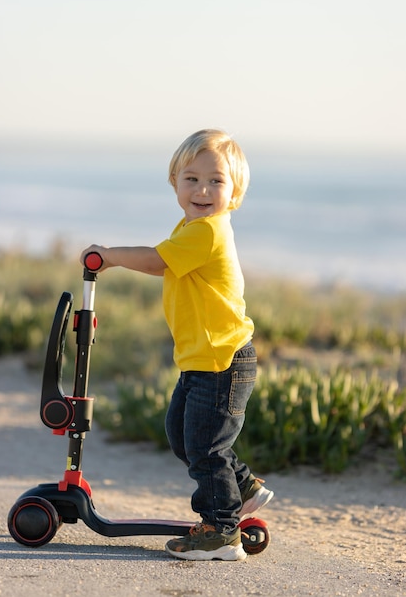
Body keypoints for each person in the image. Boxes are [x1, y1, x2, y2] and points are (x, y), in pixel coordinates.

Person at [80, 128, 274, 561]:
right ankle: (241, 485)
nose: (202, 189)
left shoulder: (207, 231)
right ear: (175, 183)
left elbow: (157, 259)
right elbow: (165, 261)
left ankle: (220, 530)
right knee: (182, 434)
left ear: (235, 191)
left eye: (216, 181)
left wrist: (109, 256)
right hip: (202, 358)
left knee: (204, 446)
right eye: (191, 179)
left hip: (222, 359)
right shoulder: (191, 227)